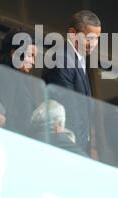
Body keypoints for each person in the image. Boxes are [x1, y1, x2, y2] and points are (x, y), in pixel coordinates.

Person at [42, 10, 101, 153]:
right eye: (89, 38)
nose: (93, 44)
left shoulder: (78, 60)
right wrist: (78, 150)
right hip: (66, 146)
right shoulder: (62, 59)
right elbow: (67, 111)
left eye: (97, 38)